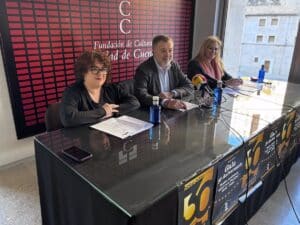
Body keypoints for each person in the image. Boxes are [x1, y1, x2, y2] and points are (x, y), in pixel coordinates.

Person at [60, 50, 140, 127]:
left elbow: (134, 103)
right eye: (94, 69)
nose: (101, 73)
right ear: (83, 72)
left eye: (103, 69)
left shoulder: (112, 88)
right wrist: (103, 111)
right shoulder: (72, 92)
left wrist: (111, 112)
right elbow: (68, 118)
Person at [134, 35, 193, 110]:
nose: (168, 54)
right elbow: (141, 96)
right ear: (153, 51)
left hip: (173, 111)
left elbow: (189, 86)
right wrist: (165, 102)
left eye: (170, 50)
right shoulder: (143, 69)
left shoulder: (174, 65)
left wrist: (172, 93)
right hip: (152, 112)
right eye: (163, 51)